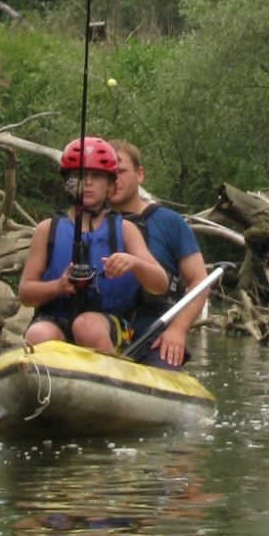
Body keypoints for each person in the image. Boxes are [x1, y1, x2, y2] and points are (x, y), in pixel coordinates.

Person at [18, 136, 168, 354]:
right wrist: (58, 287)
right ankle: (46, 384)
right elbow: (25, 293)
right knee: (38, 335)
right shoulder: (46, 230)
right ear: (67, 182)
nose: (87, 182)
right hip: (56, 318)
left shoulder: (126, 229)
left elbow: (160, 284)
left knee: (86, 326)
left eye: (96, 176)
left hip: (109, 322)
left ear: (110, 185)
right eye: (80, 175)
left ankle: (111, 377)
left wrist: (135, 264)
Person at [109, 139, 208, 369]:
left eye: (121, 171)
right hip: (105, 329)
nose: (114, 180)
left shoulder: (170, 222)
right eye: (108, 173)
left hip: (155, 334)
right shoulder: (91, 223)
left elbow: (200, 280)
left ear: (139, 174)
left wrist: (178, 329)